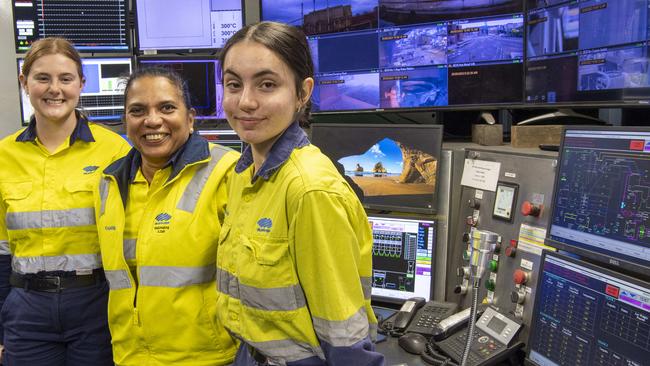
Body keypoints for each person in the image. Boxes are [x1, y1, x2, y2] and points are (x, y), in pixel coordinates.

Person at [216, 21, 385, 366]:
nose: (245, 101)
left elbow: (344, 335)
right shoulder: (243, 173)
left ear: (302, 92)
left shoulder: (310, 189)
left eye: (266, 84)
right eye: (234, 84)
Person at [94, 67, 239, 365]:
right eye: (138, 110)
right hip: (130, 356)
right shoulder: (109, 183)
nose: (152, 120)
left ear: (190, 117)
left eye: (167, 107)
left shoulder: (227, 172)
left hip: (207, 357)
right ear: (126, 120)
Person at [0, 37, 131, 365]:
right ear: (24, 82)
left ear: (81, 84)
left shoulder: (115, 151)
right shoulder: (4, 155)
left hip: (95, 303)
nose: (54, 89)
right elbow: (0, 251)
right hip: (26, 309)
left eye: (65, 79)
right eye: (42, 78)